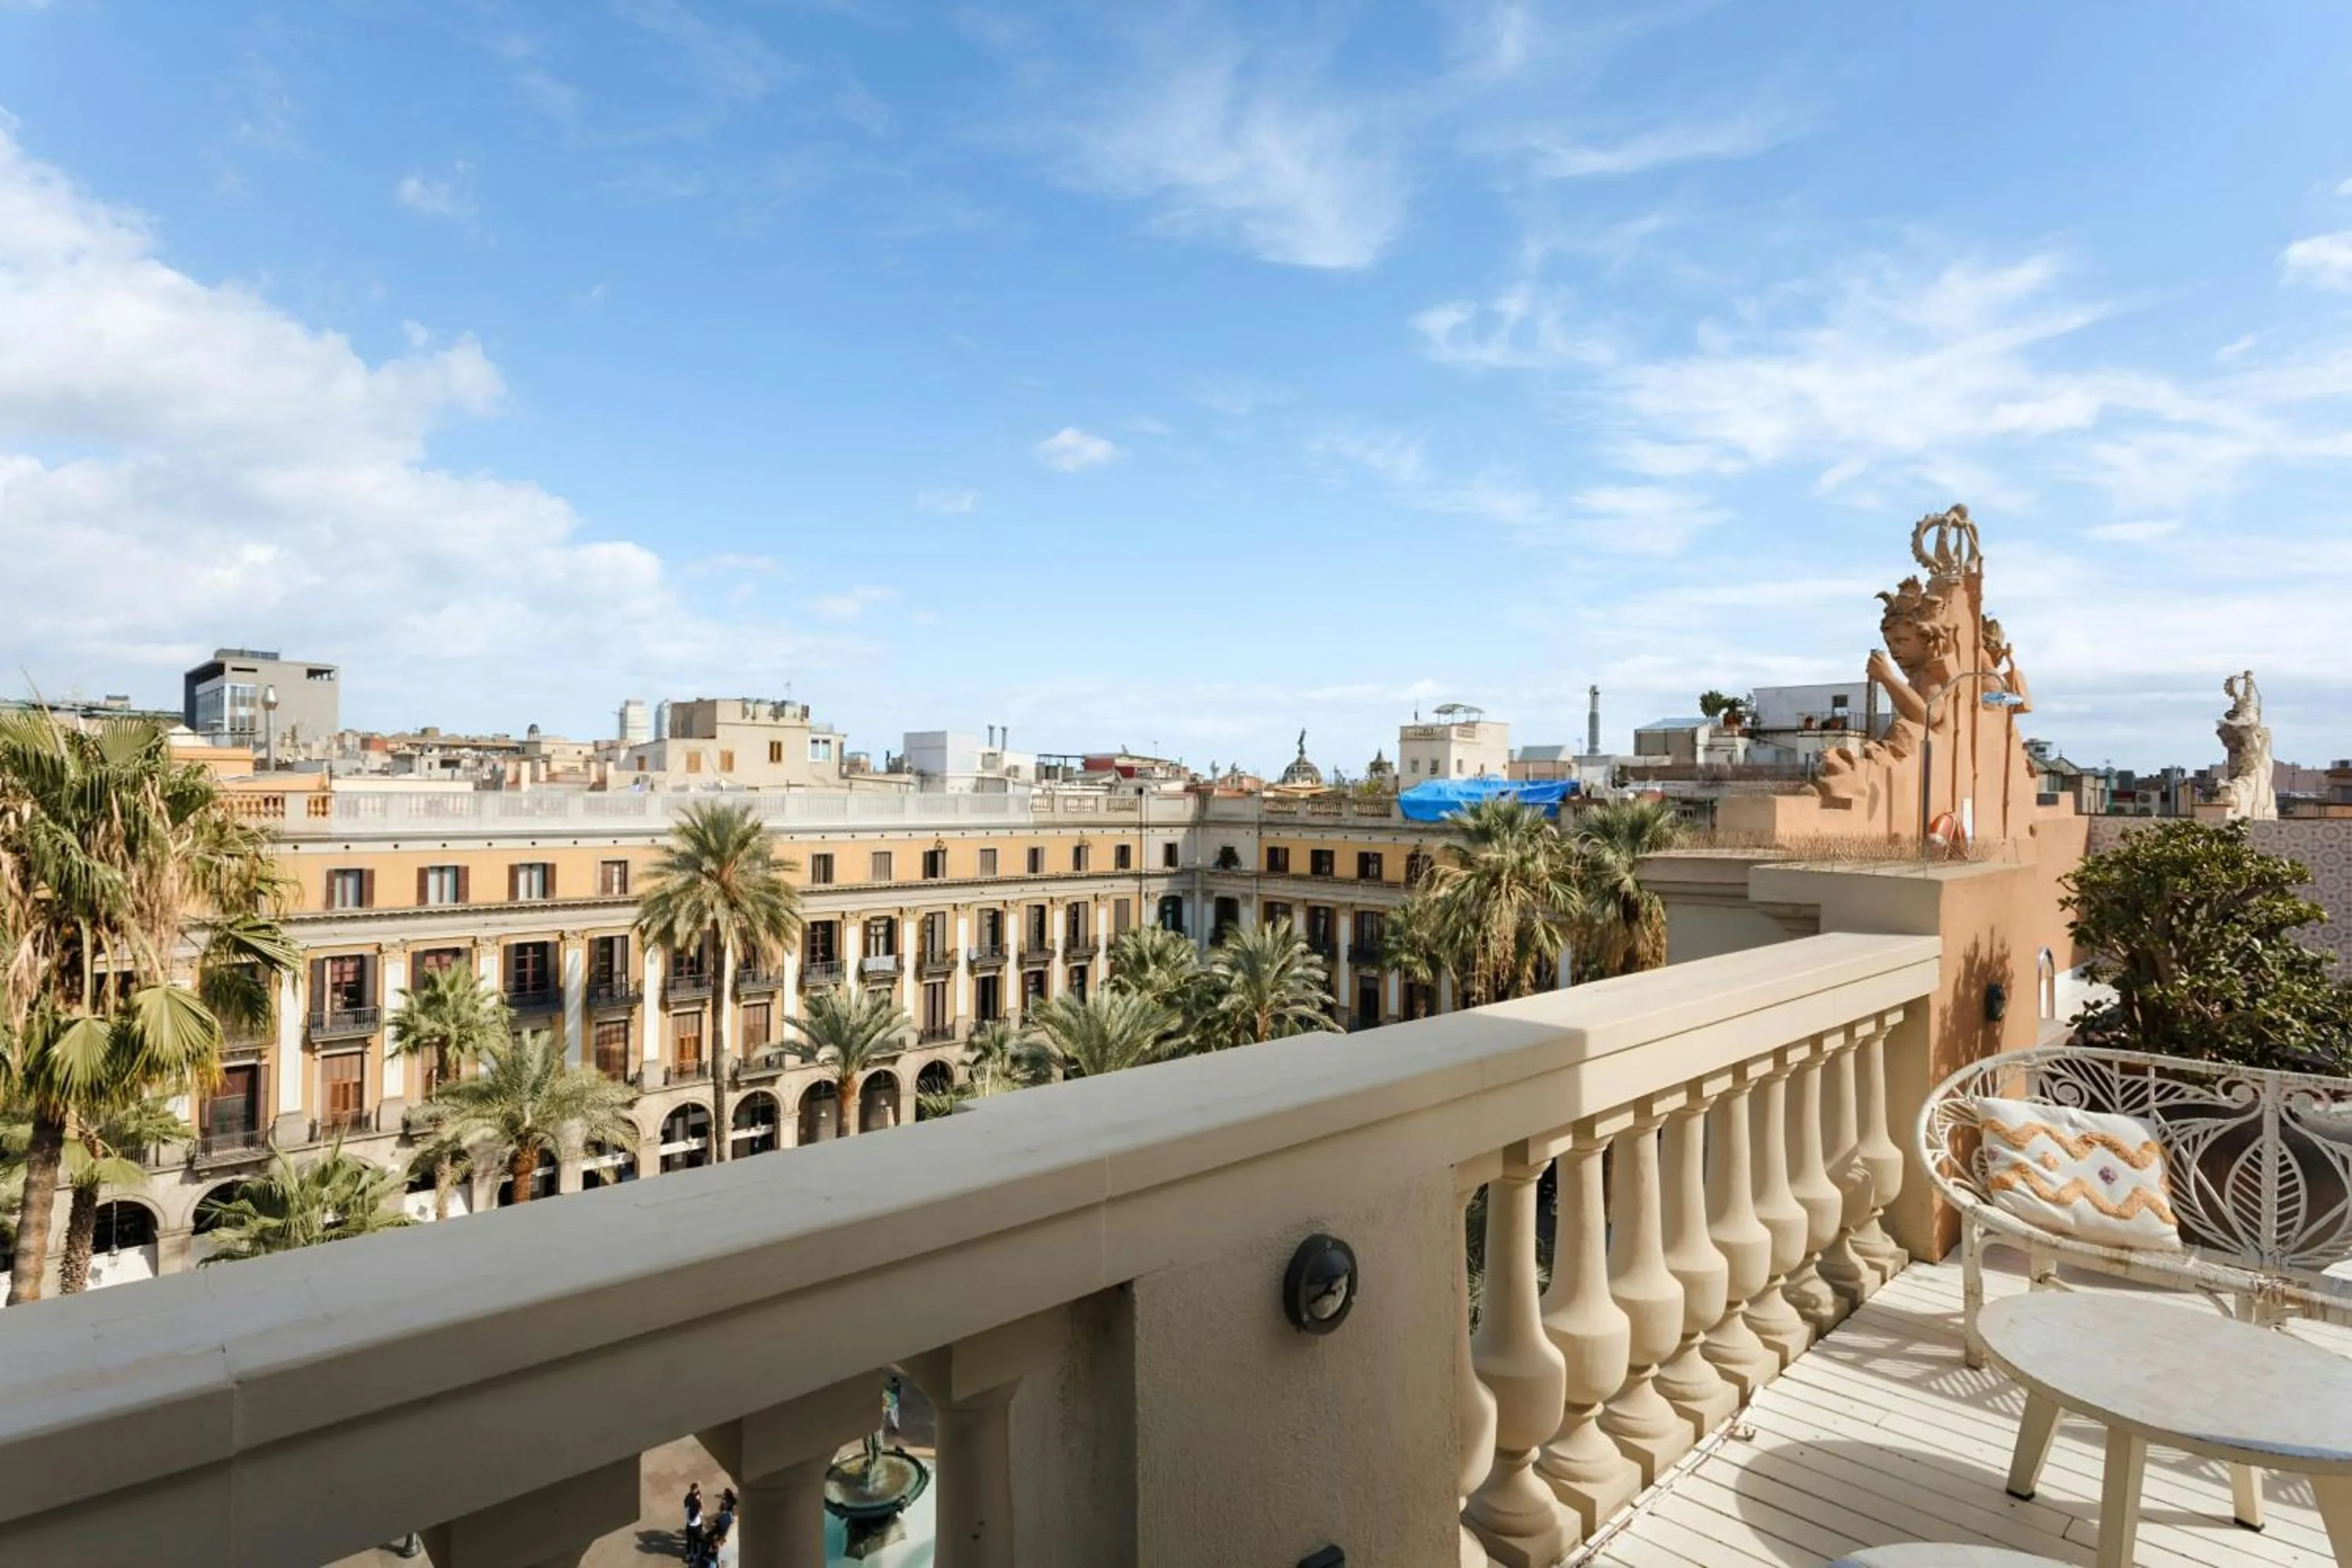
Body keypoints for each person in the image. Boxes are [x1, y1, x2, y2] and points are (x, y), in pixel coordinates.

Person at [681, 1481, 703, 1565]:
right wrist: (699, 1505)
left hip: (691, 1525)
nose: (697, 1491)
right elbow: (700, 1513)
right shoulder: (694, 1505)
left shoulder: (688, 1499)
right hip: (695, 1526)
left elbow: (687, 1510)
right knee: (695, 1541)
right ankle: (692, 1556)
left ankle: (690, 1556)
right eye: (695, 1490)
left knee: (690, 1541)